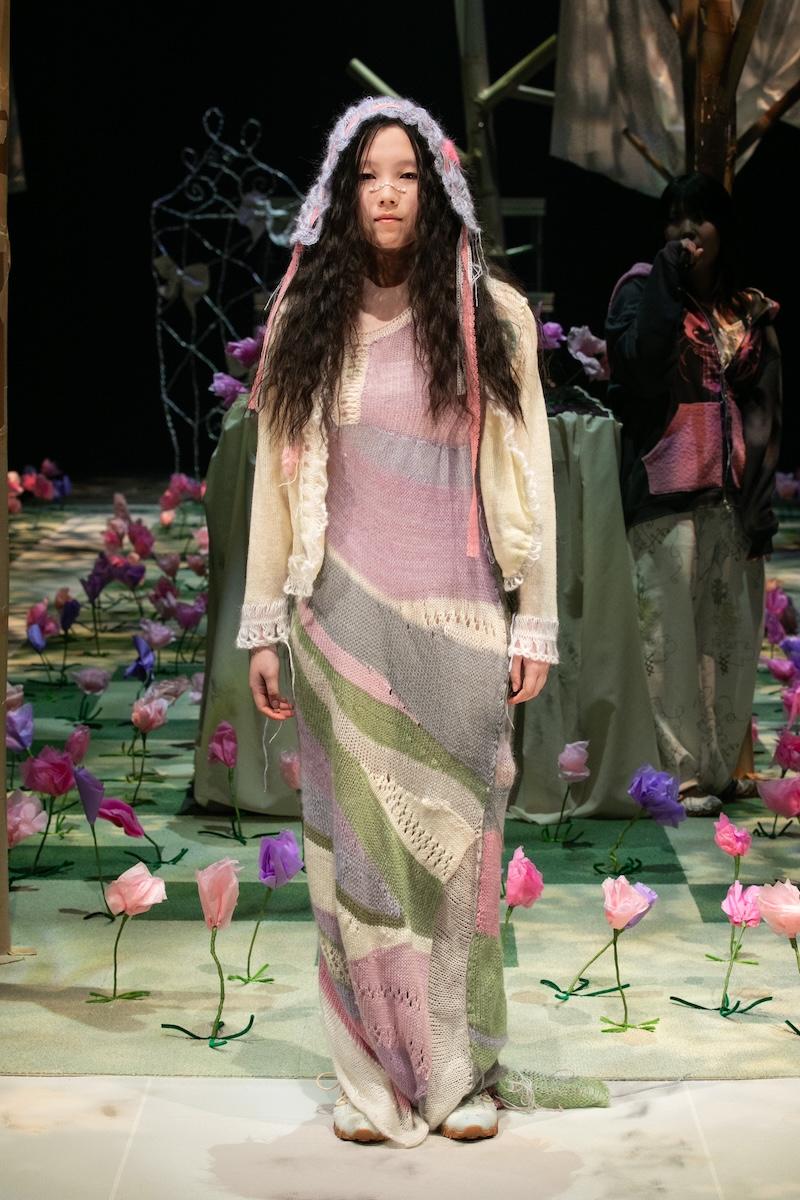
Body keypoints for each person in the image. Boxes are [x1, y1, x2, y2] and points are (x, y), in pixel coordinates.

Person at [235, 97, 563, 1146]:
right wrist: (262, 625)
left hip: (459, 623)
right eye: (369, 176)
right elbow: (273, 486)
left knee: (461, 859)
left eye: (406, 176)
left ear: (436, 191)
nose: (386, 193)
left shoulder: (492, 315)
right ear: (343, 193)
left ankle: (457, 1073)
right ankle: (369, 1080)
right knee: (358, 860)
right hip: (341, 625)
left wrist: (535, 619)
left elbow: (530, 474)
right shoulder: (307, 317)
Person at [606, 172, 782, 816]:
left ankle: (718, 770)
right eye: (675, 218)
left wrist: (760, 497)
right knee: (668, 644)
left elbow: (768, 408)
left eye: (699, 217)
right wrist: (666, 277)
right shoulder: (640, 289)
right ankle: (677, 777)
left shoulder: (745, 308)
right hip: (665, 492)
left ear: (722, 229)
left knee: (728, 642)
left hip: (732, 499)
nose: (686, 231)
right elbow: (638, 367)